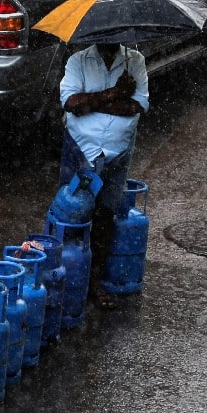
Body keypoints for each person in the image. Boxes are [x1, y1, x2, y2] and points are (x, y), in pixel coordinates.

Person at [59, 41, 149, 310]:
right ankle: (70, 280)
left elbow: (139, 106)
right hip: (82, 148)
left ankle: (93, 282)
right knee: (74, 215)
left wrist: (94, 103)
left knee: (104, 215)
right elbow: (71, 103)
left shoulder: (136, 61)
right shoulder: (77, 61)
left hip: (119, 152)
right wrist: (114, 94)